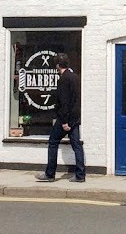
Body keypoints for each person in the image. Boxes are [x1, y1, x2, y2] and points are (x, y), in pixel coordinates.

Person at [35, 53, 85, 182]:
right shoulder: (75, 77)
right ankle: (80, 175)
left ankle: (50, 174)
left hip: (66, 119)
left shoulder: (63, 79)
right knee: (77, 145)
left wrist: (64, 122)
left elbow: (64, 102)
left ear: (57, 65)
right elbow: (76, 100)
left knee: (53, 142)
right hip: (75, 118)